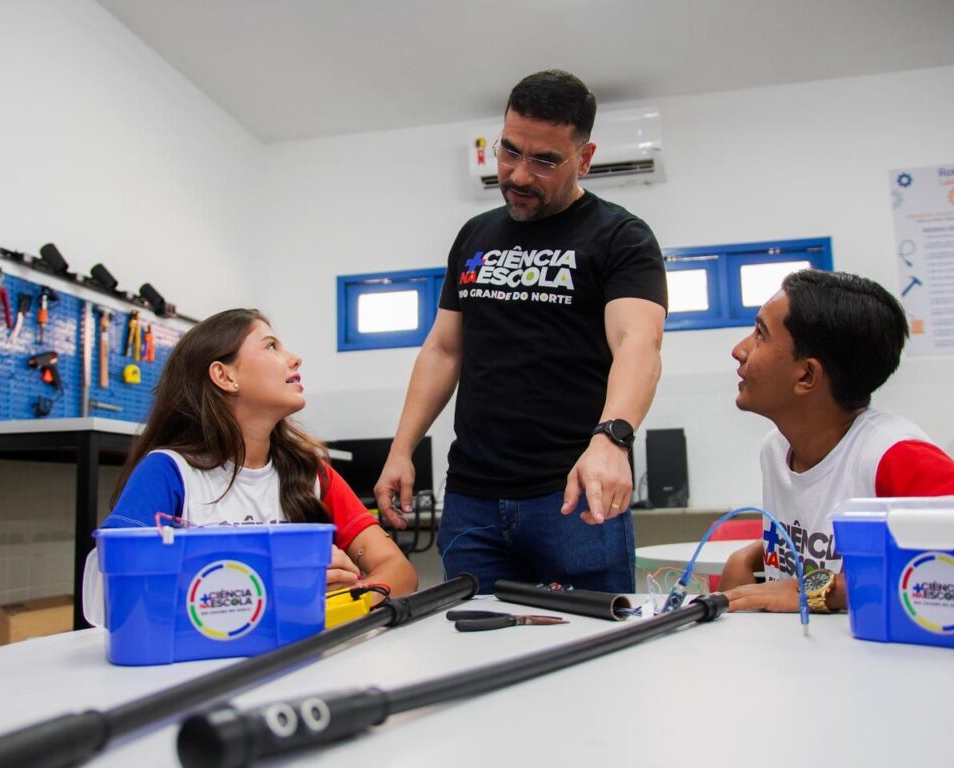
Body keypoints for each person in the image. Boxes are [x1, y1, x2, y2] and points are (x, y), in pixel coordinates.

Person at [375, 70, 667, 593]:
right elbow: (443, 349)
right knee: (475, 651)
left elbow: (637, 343)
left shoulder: (621, 236)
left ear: (585, 157)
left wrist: (613, 439)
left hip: (575, 498)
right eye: (509, 152)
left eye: (545, 161)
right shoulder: (476, 235)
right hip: (471, 501)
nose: (519, 175)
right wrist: (402, 449)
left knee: (591, 656)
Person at [95, 308, 417, 608]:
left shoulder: (311, 474)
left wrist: (343, 602)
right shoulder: (169, 472)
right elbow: (114, 587)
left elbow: (399, 571)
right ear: (224, 376)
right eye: (271, 346)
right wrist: (276, 590)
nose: (294, 359)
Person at [720, 270, 954, 612]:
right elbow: (822, 541)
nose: (739, 350)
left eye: (760, 335)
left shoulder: (895, 455)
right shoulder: (776, 449)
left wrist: (821, 591)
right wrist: (747, 556)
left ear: (806, 375)